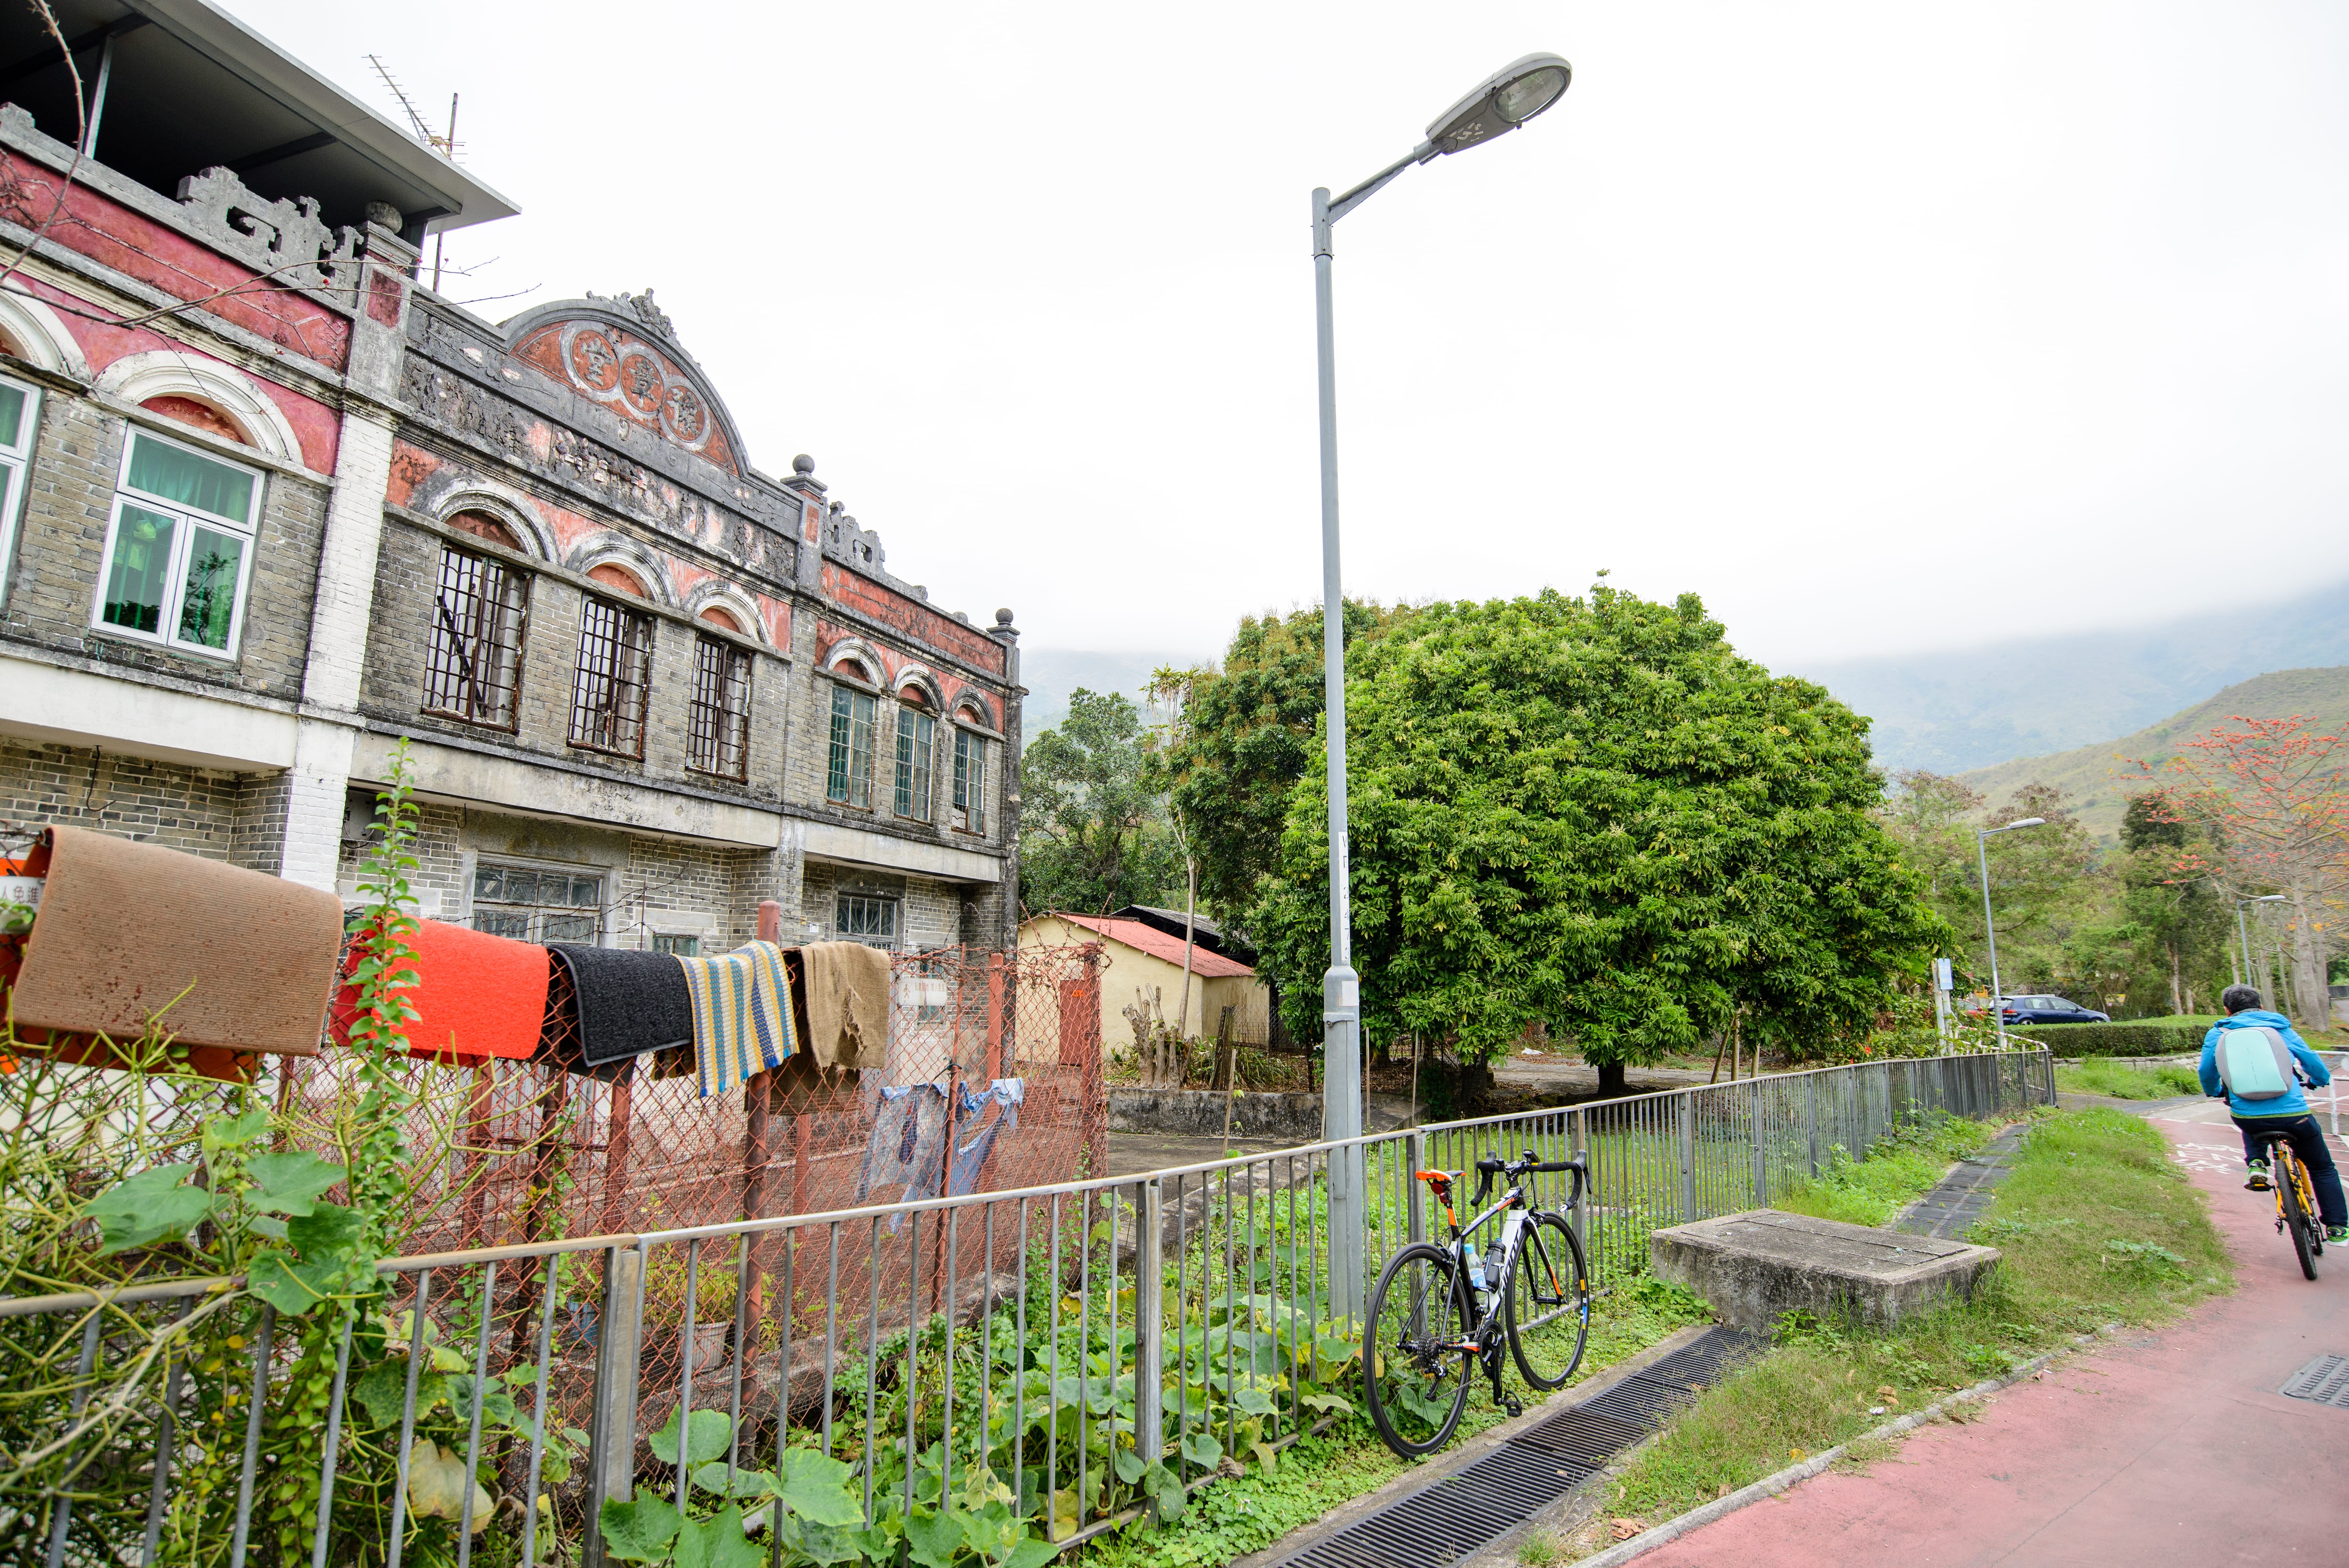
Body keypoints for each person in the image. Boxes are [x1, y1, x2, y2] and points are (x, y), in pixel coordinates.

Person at [2199, 984, 2347, 1243]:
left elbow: (2206, 1071)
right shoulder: (2280, 1028)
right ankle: (2337, 1227)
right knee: (2322, 1167)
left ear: (2227, 1009)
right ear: (2262, 1006)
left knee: (2249, 1119)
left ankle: (2256, 1163)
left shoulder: (2218, 1032)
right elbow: (2310, 1060)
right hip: (2295, 1116)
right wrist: (2319, 1080)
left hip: (2246, 1116)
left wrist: (2215, 1091)